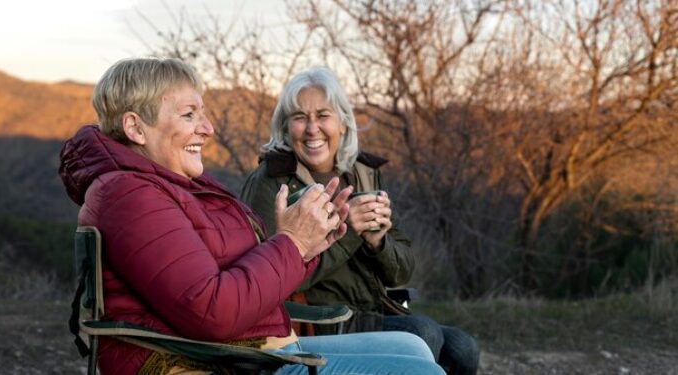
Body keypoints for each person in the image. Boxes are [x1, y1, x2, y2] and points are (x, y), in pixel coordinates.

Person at [58, 57, 445, 375]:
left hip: (249, 344)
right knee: (423, 371)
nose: (207, 129)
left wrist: (311, 243)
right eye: (190, 115)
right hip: (210, 359)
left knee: (412, 345)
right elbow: (213, 312)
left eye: (203, 114)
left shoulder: (176, 185)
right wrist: (291, 242)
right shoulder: (132, 196)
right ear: (135, 127)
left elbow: (251, 271)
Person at [240, 67, 480, 375]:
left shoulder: (363, 172)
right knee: (423, 332)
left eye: (323, 115)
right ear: (286, 127)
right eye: (300, 117)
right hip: (316, 319)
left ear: (342, 122)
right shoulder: (272, 181)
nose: (312, 129)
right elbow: (267, 280)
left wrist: (379, 243)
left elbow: (402, 271)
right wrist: (349, 228)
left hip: (370, 309)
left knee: (463, 347)